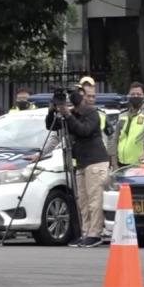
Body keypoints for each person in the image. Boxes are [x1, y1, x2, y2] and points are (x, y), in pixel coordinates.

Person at [46, 86, 108, 248]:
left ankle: (95, 234)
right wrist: (52, 111)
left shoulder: (92, 113)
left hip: (95, 161)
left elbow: (84, 130)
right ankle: (85, 232)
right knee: (83, 201)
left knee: (95, 199)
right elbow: (52, 127)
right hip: (81, 163)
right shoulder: (72, 114)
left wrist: (67, 114)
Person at [108, 82, 144, 169]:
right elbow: (115, 139)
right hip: (121, 165)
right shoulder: (122, 115)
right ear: (128, 96)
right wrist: (113, 161)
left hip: (140, 165)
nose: (135, 96)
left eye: (138, 94)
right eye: (132, 94)